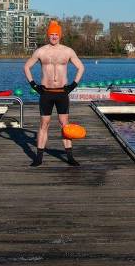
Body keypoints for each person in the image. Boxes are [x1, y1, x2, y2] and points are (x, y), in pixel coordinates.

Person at [23, 20, 85, 167]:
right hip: (46, 93)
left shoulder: (67, 51)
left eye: (56, 34)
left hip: (62, 93)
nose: (54, 37)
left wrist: (73, 85)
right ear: (48, 35)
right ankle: (38, 158)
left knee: (65, 124)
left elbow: (81, 68)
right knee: (44, 124)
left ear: (60, 35)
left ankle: (70, 157)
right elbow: (26, 67)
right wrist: (34, 85)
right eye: (51, 34)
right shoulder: (41, 51)